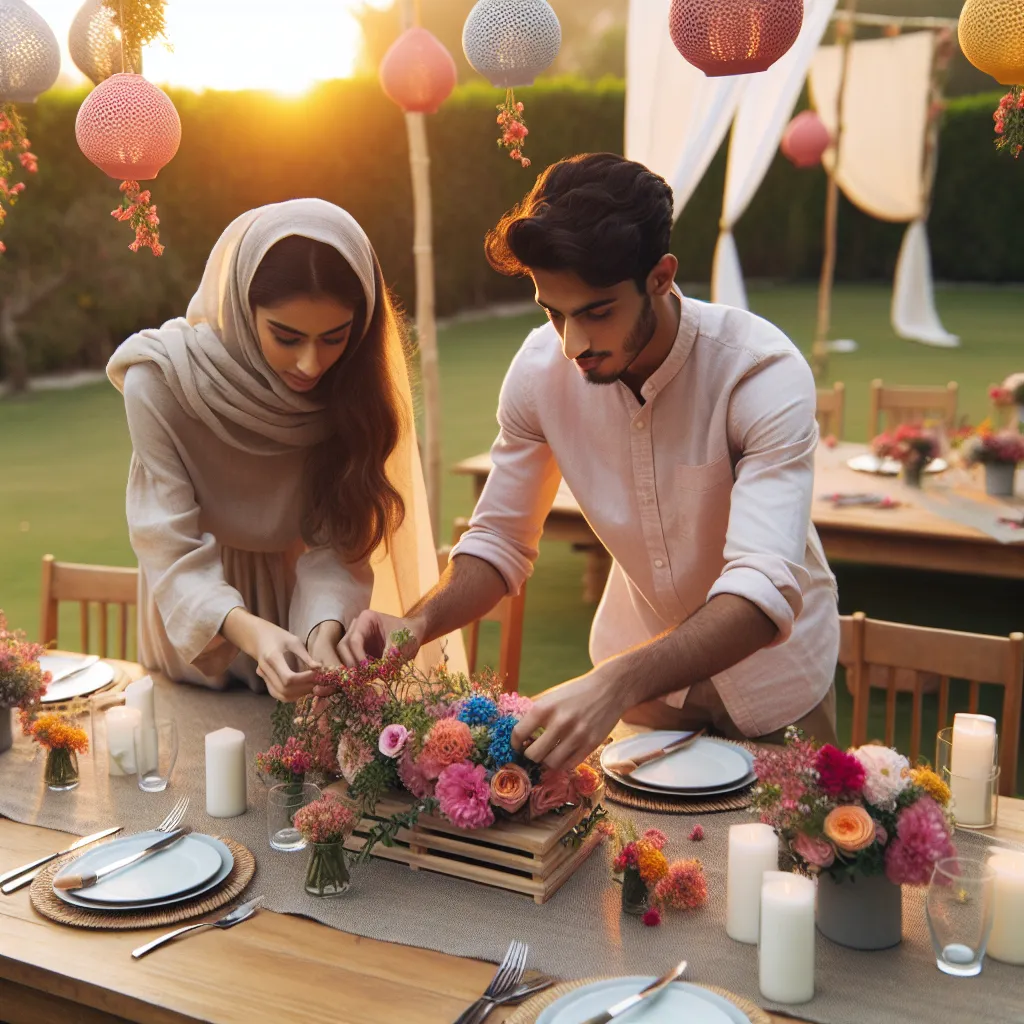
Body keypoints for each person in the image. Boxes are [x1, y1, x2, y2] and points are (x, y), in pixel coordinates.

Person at [342, 153, 840, 768]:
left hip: (776, 685)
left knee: (788, 834)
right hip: (644, 693)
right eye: (553, 313)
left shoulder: (758, 371)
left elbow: (762, 590)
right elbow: (499, 541)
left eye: (596, 313)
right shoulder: (538, 373)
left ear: (660, 277)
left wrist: (615, 683)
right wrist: (417, 624)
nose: (572, 344)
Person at [108, 199, 457, 701]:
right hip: (199, 631)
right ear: (242, 308)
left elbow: (338, 541)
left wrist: (322, 631)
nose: (311, 364)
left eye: (334, 338)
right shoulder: (161, 383)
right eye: (286, 337)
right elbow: (168, 544)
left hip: (301, 609)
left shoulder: (352, 392)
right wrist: (251, 632)